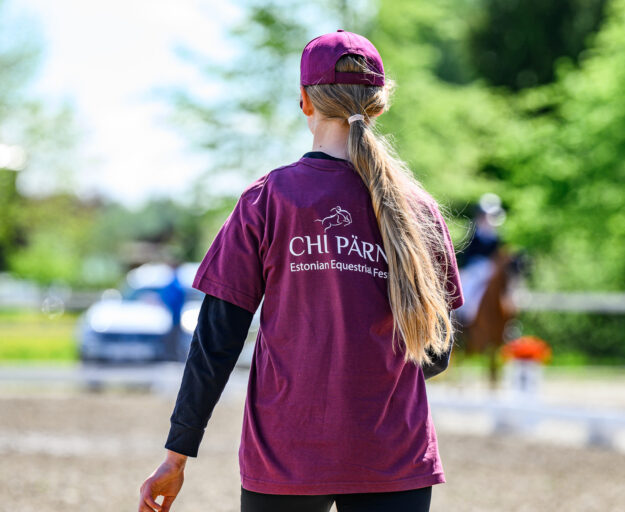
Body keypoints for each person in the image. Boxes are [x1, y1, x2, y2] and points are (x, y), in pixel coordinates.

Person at [138, 29, 464, 512]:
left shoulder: (267, 199)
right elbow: (436, 353)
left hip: (285, 459)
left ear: (305, 101)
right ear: (378, 106)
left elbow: (215, 341)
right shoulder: (418, 210)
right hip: (394, 459)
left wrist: (177, 453)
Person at [454, 194, 503, 326]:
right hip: (473, 268)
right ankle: (463, 315)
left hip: (490, 269)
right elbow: (466, 253)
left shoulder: (496, 236)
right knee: (466, 287)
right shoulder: (474, 232)